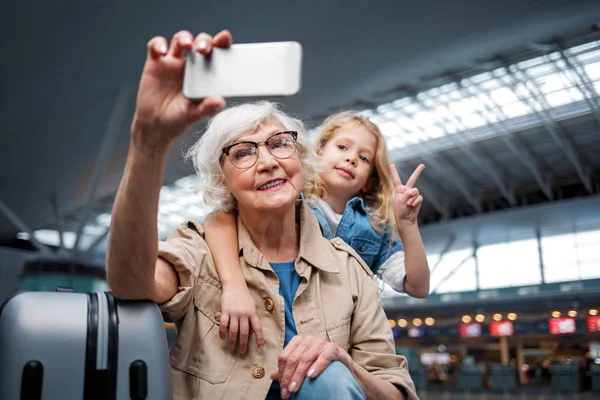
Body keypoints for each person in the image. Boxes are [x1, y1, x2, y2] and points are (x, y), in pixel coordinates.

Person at [106, 29, 418, 400]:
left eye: (279, 144)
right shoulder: (200, 250)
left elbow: (398, 393)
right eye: (243, 152)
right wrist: (148, 145)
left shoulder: (351, 273)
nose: (268, 161)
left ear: (302, 162)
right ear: (223, 185)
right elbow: (131, 282)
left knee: (328, 377)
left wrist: (343, 364)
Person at [204, 111, 430, 354]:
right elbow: (219, 218)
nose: (351, 158)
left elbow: (418, 287)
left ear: (368, 182)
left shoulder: (375, 228)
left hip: (338, 341)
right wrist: (234, 285)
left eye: (364, 158)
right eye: (342, 146)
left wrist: (407, 225)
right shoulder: (288, 199)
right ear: (318, 152)